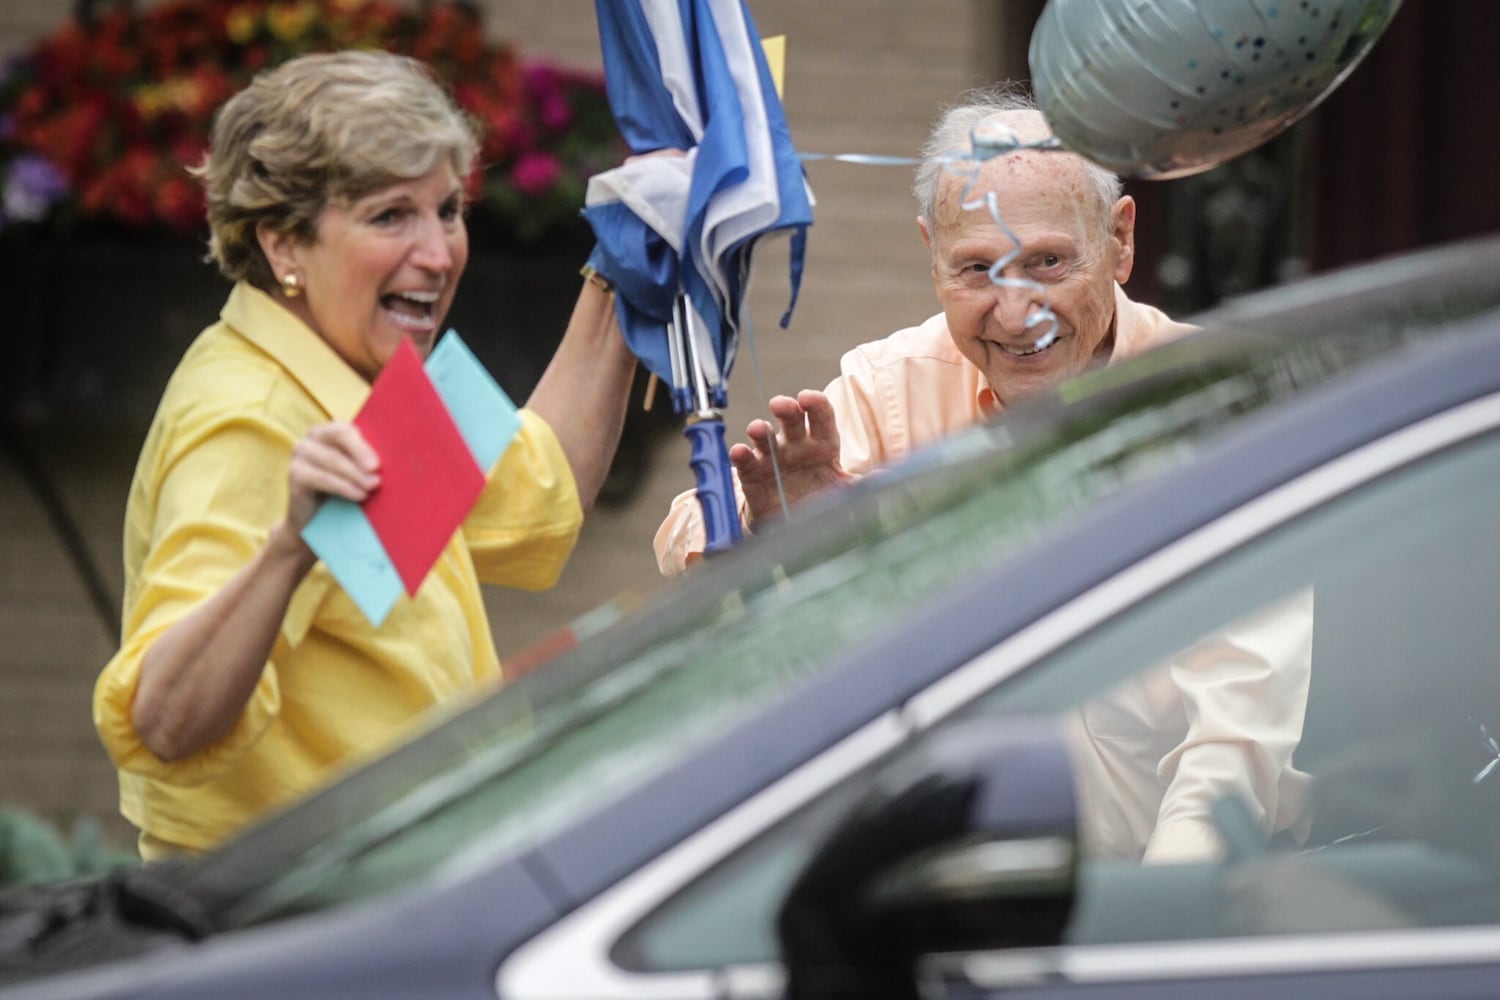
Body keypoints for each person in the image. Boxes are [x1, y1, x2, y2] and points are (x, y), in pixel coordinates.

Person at [654, 85, 1313, 862]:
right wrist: (784, 543)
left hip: (1161, 908)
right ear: (931, 255)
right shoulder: (888, 385)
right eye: (977, 270)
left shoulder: (1218, 403)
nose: (1015, 313)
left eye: (1048, 262)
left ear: (1121, 241)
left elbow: (1236, 745)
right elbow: (688, 537)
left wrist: (1154, 921)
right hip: (935, 898)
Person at [91, 50, 637, 860]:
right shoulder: (253, 419)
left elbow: (542, 487)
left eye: (448, 210)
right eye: (390, 217)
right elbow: (165, 722)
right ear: (283, 245)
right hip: (293, 942)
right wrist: (286, 551)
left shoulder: (362, 369)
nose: (439, 252)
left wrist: (630, 265)